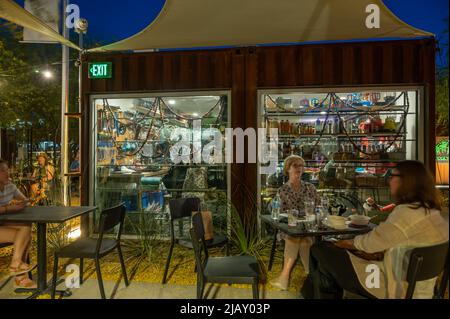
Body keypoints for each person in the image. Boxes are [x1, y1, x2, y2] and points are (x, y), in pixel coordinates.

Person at [301, 160, 449, 299]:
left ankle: (309, 293)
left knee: (320, 249)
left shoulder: (406, 213)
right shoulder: (433, 213)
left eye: (393, 176)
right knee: (325, 268)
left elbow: (370, 244)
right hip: (422, 289)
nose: (390, 180)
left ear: (407, 181)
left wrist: (345, 243)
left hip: (389, 285)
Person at [270, 155, 320, 290]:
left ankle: (286, 278)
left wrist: (313, 215)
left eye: (301, 166)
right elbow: (277, 211)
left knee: (304, 239)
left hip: (308, 227)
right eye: (295, 165)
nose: (299, 168)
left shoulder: (310, 187)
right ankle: (309, 275)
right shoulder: (282, 190)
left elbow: (319, 207)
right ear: (288, 169)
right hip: (289, 227)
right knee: (296, 238)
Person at [0, 159, 37, 288]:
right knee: (26, 235)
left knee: (26, 228)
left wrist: (28, 200)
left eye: (7, 169)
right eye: (2, 170)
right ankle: (20, 275)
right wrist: (9, 208)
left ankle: (17, 266)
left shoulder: (10, 186)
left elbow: (24, 200)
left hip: (3, 225)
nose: (7, 173)